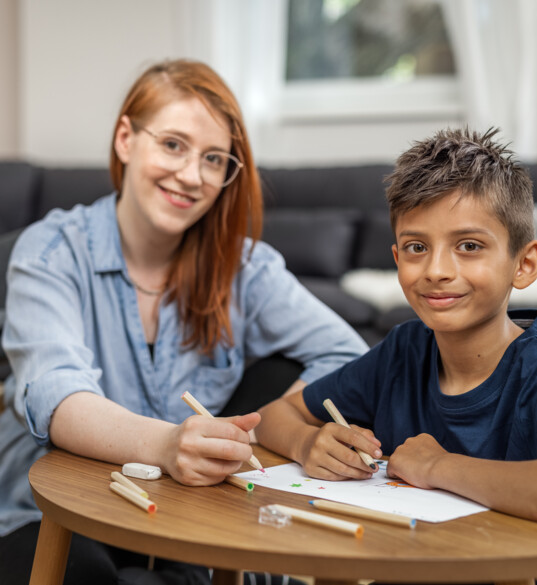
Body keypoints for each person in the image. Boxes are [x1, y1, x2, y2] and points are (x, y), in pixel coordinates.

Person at [0, 59, 368, 585]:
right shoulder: (52, 251)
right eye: (173, 144)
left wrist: (283, 435)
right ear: (126, 139)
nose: (192, 176)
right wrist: (168, 445)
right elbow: (59, 396)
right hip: (49, 509)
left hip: (179, 511)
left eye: (214, 159)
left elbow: (349, 357)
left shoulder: (243, 267)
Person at [255, 127, 537, 584]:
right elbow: (276, 414)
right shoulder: (403, 350)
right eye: (416, 248)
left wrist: (437, 466)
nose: (436, 270)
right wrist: (307, 443)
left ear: (524, 264)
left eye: (469, 246)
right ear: (396, 259)